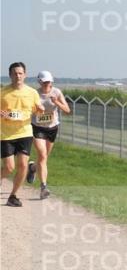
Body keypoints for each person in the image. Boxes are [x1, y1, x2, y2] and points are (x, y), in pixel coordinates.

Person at [2, 63, 45, 207]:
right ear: (10, 75)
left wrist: (40, 109)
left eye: (20, 73)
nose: (18, 76)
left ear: (25, 75)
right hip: (6, 134)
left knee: (23, 165)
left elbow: (38, 112)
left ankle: (13, 196)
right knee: (9, 167)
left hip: (25, 133)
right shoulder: (3, 93)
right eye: (15, 73)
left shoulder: (32, 93)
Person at [28, 70, 72, 198]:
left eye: (49, 82)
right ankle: (43, 188)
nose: (47, 85)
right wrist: (37, 111)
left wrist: (56, 102)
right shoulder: (35, 94)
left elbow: (67, 110)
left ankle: (32, 168)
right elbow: (29, 110)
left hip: (52, 128)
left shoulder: (57, 92)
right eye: (45, 82)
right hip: (38, 127)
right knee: (42, 154)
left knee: (44, 158)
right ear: (40, 82)